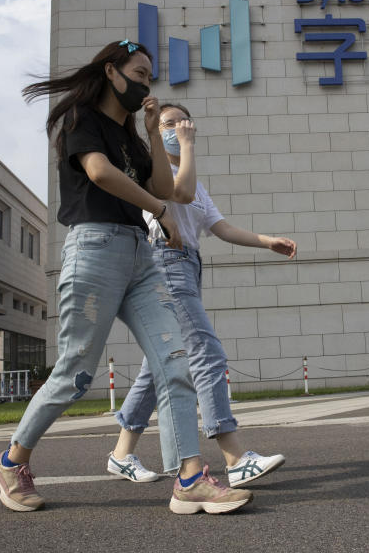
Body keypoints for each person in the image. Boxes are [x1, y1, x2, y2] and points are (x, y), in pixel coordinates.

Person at [0, 41, 251, 515]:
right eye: (139, 73)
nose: (146, 84)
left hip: (139, 257)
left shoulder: (131, 134)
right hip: (95, 249)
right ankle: (10, 461)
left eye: (150, 77)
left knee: (175, 358)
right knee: (74, 374)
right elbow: (101, 173)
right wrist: (158, 211)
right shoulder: (82, 119)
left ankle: (190, 478)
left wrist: (152, 134)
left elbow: (166, 188)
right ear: (111, 71)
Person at [107, 103, 297, 488]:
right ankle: (234, 455)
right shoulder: (152, 169)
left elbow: (220, 227)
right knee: (205, 352)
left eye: (182, 122)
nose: (178, 128)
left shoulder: (194, 178)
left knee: (159, 362)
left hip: (189, 265)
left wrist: (267, 242)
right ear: (155, 132)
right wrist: (188, 148)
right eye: (168, 123)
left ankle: (121, 453)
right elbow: (180, 191)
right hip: (165, 261)